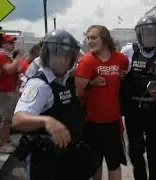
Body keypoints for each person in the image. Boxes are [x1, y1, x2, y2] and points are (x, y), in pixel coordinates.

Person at [12, 29, 86, 180]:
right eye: (59, 55)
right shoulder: (39, 84)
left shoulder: (63, 78)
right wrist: (47, 121)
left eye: (68, 57)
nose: (64, 61)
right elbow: (18, 120)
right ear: (48, 55)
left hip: (63, 158)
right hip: (44, 160)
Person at [75, 25, 128, 180]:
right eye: (88, 38)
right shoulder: (86, 62)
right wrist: (91, 83)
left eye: (93, 37)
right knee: (94, 164)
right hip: (91, 123)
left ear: (104, 38)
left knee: (114, 163)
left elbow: (124, 76)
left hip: (113, 122)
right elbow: (78, 95)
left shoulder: (121, 59)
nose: (89, 41)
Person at [120, 15, 156, 180]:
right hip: (134, 109)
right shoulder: (129, 51)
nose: (148, 36)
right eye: (145, 32)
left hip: (154, 109)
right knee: (135, 149)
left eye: (152, 32)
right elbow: (116, 71)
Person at [0, 33, 21, 151]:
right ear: (3, 44)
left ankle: (6, 140)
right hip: (4, 92)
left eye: (13, 42)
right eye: (10, 42)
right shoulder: (1, 56)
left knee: (8, 119)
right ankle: (3, 144)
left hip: (9, 91)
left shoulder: (6, 56)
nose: (13, 45)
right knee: (6, 119)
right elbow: (9, 70)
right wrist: (17, 58)